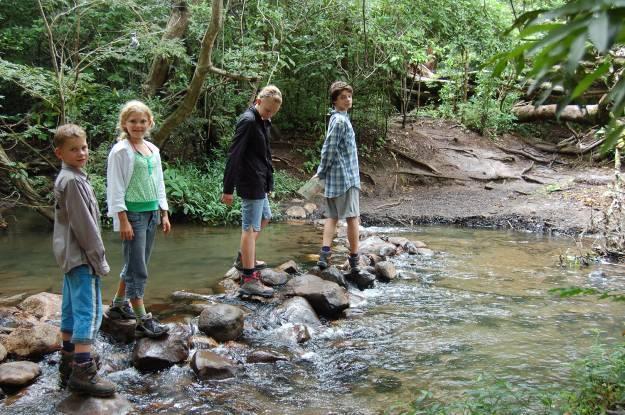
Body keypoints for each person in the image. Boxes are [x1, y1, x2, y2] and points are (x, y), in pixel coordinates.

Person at [52, 124, 115, 397]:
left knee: (69, 308)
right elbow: (85, 226)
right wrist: (98, 259)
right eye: (74, 149)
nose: (81, 153)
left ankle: (67, 362)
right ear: (59, 153)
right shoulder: (74, 181)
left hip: (68, 255)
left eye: (84, 147)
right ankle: (83, 370)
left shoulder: (67, 177)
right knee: (89, 313)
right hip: (81, 257)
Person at [106, 100, 171, 338]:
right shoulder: (121, 151)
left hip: (152, 212)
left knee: (137, 261)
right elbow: (115, 187)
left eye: (143, 121)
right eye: (133, 121)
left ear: (150, 122)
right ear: (124, 123)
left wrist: (164, 212)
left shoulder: (153, 149)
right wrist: (122, 219)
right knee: (138, 267)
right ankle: (143, 318)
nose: (138, 125)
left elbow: (159, 183)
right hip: (132, 214)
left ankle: (117, 305)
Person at [221, 85, 283, 298]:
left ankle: (243, 257)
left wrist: (270, 183)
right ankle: (249, 278)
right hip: (249, 180)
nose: (269, 115)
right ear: (258, 101)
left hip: (260, 179)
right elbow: (234, 154)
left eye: (273, 113)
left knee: (266, 217)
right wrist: (227, 188)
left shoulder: (263, 121)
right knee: (249, 228)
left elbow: (265, 154)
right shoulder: (248, 121)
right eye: (266, 111)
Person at [315, 81, 361, 274]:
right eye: (343, 97)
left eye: (349, 96)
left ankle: (324, 256)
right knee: (352, 217)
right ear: (335, 100)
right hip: (345, 178)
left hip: (336, 179)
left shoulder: (338, 118)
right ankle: (354, 259)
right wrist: (321, 171)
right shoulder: (340, 120)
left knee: (332, 216)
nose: (348, 100)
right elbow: (329, 148)